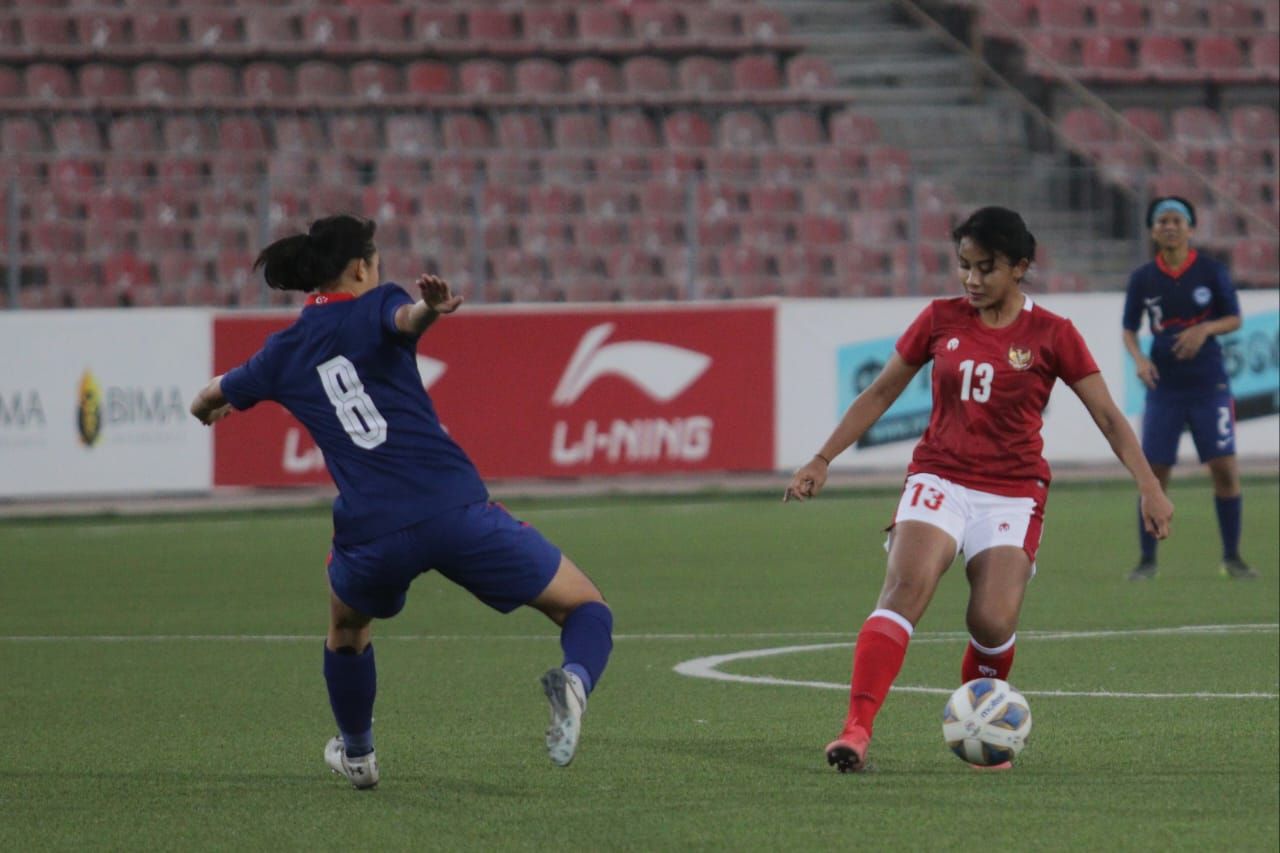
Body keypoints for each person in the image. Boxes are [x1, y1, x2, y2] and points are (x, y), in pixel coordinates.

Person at [189, 214, 614, 788]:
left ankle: (358, 754)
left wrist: (213, 408)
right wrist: (429, 310)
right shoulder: (377, 304)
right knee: (585, 606)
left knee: (346, 630)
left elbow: (206, 396)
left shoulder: (281, 352)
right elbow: (404, 319)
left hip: (372, 532)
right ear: (359, 267)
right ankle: (575, 683)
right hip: (452, 508)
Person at [784, 206, 1174, 774]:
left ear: (1020, 267)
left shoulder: (1054, 334)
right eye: (964, 265)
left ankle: (982, 728)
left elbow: (1109, 417)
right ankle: (855, 730)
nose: (971, 279)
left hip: (1013, 492)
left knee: (992, 621)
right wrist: (823, 458)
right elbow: (881, 391)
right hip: (939, 477)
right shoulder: (939, 318)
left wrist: (1149, 486)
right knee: (905, 589)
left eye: (985, 267)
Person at [1122, 196, 1255, 581]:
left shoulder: (1212, 271)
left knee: (1224, 469)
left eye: (1176, 220)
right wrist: (1139, 359)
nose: (1169, 226)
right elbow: (1129, 329)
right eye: (1161, 220)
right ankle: (1147, 561)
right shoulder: (1143, 278)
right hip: (1164, 388)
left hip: (1209, 384)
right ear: (1152, 231)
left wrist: (1204, 329)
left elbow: (1234, 318)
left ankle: (1232, 558)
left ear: (1190, 228)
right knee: (1155, 473)